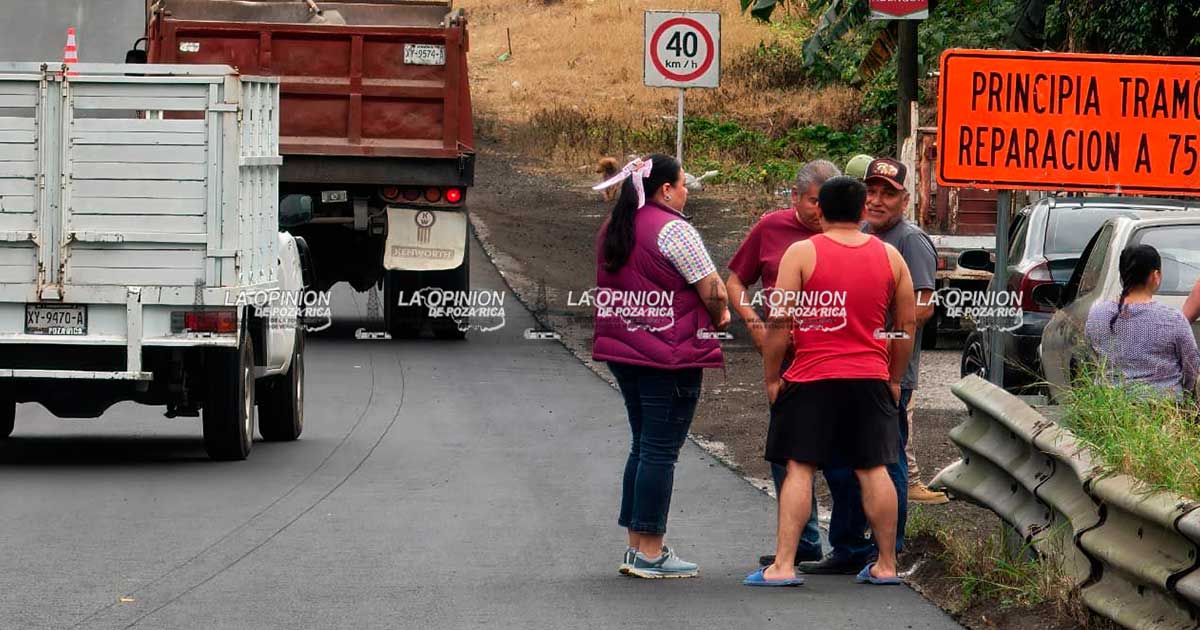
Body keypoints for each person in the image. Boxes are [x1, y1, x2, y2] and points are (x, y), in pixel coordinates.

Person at [744, 175, 916, 587]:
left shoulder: (801, 252)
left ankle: (783, 566)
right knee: (874, 468)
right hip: (869, 377)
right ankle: (887, 564)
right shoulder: (890, 256)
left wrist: (772, 377)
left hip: (811, 376)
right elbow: (906, 323)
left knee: (800, 467)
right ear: (861, 212)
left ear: (820, 209)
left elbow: (779, 322)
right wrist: (893, 378)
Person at [798, 157, 941, 578]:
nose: (878, 201)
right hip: (846, 368)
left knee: (886, 460)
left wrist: (880, 329)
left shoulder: (909, 241)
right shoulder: (856, 235)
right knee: (841, 464)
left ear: (905, 199)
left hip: (887, 372)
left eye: (888, 193)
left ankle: (888, 550)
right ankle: (846, 546)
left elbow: (923, 308)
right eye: (872, 192)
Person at [592, 154, 731, 579]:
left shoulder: (614, 227)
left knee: (642, 446)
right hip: (669, 356)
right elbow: (713, 289)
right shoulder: (675, 229)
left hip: (623, 351)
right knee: (659, 450)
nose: (687, 191)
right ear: (666, 189)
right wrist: (722, 317)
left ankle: (637, 547)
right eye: (683, 184)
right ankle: (652, 551)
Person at [726, 160, 842, 567]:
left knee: (843, 457)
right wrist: (755, 324)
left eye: (827, 202)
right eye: (814, 202)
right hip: (788, 360)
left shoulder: (845, 233)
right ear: (795, 197)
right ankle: (805, 540)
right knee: (787, 453)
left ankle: (846, 544)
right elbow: (736, 281)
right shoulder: (770, 228)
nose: (821, 211)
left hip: (835, 358)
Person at [1085, 244, 1200, 399]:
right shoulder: (1172, 319)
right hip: (1164, 409)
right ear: (1156, 275)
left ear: (1122, 275)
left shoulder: (1097, 315)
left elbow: (1092, 359)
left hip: (1112, 407)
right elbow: (1192, 369)